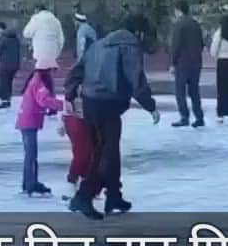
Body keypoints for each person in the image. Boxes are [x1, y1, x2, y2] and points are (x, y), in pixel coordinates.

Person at [64, 18, 161, 219]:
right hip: (108, 103)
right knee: (105, 153)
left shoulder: (98, 45)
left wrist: (70, 93)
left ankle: (114, 195)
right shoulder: (129, 47)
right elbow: (136, 79)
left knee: (108, 150)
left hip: (90, 101)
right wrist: (150, 106)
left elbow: (77, 70)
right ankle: (84, 196)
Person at [17, 67, 65, 196]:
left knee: (31, 154)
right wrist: (64, 105)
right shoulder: (38, 82)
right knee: (31, 155)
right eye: (52, 71)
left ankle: (29, 182)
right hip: (29, 121)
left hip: (27, 120)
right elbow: (43, 100)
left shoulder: (35, 80)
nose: (53, 74)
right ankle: (30, 184)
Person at [169, 0, 205, 128]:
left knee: (180, 91)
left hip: (182, 63)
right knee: (194, 91)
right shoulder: (196, 24)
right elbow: (201, 43)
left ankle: (184, 116)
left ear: (178, 10)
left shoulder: (179, 25)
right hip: (196, 62)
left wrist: (173, 63)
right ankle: (199, 117)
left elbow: (176, 45)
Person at [59, 97, 94, 200]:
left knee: (89, 153)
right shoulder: (76, 83)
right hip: (76, 118)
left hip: (86, 118)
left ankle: (85, 185)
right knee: (81, 154)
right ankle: (71, 182)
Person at [23, 4, 65, 70]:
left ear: (37, 10)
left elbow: (26, 33)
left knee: (38, 74)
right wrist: (57, 52)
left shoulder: (36, 18)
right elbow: (61, 39)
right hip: (52, 54)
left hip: (40, 54)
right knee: (45, 75)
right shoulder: (56, 20)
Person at [0, 23, 22, 108]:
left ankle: (4, 101)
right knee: (9, 82)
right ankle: (8, 100)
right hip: (15, 64)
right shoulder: (16, 39)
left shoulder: (2, 38)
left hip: (5, 64)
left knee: (3, 82)